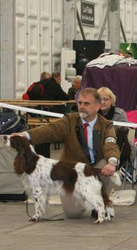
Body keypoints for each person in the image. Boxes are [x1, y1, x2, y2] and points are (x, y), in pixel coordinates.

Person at [12, 88, 121, 217]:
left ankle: (101, 203)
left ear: (97, 106)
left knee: (106, 166)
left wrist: (112, 162)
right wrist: (25, 135)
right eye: (79, 103)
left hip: (95, 167)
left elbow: (110, 145)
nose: (81, 107)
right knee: (72, 214)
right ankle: (83, 201)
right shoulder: (70, 120)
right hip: (71, 174)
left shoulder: (106, 125)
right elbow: (49, 130)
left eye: (86, 104)